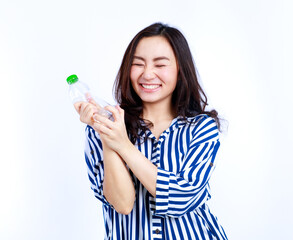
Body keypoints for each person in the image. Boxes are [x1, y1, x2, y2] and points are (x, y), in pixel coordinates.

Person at [75, 22, 228, 240]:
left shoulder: (201, 128)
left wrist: (123, 145)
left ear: (180, 69)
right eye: (138, 64)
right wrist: (108, 136)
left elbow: (181, 198)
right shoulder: (104, 127)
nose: (147, 74)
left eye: (160, 64)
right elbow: (122, 204)